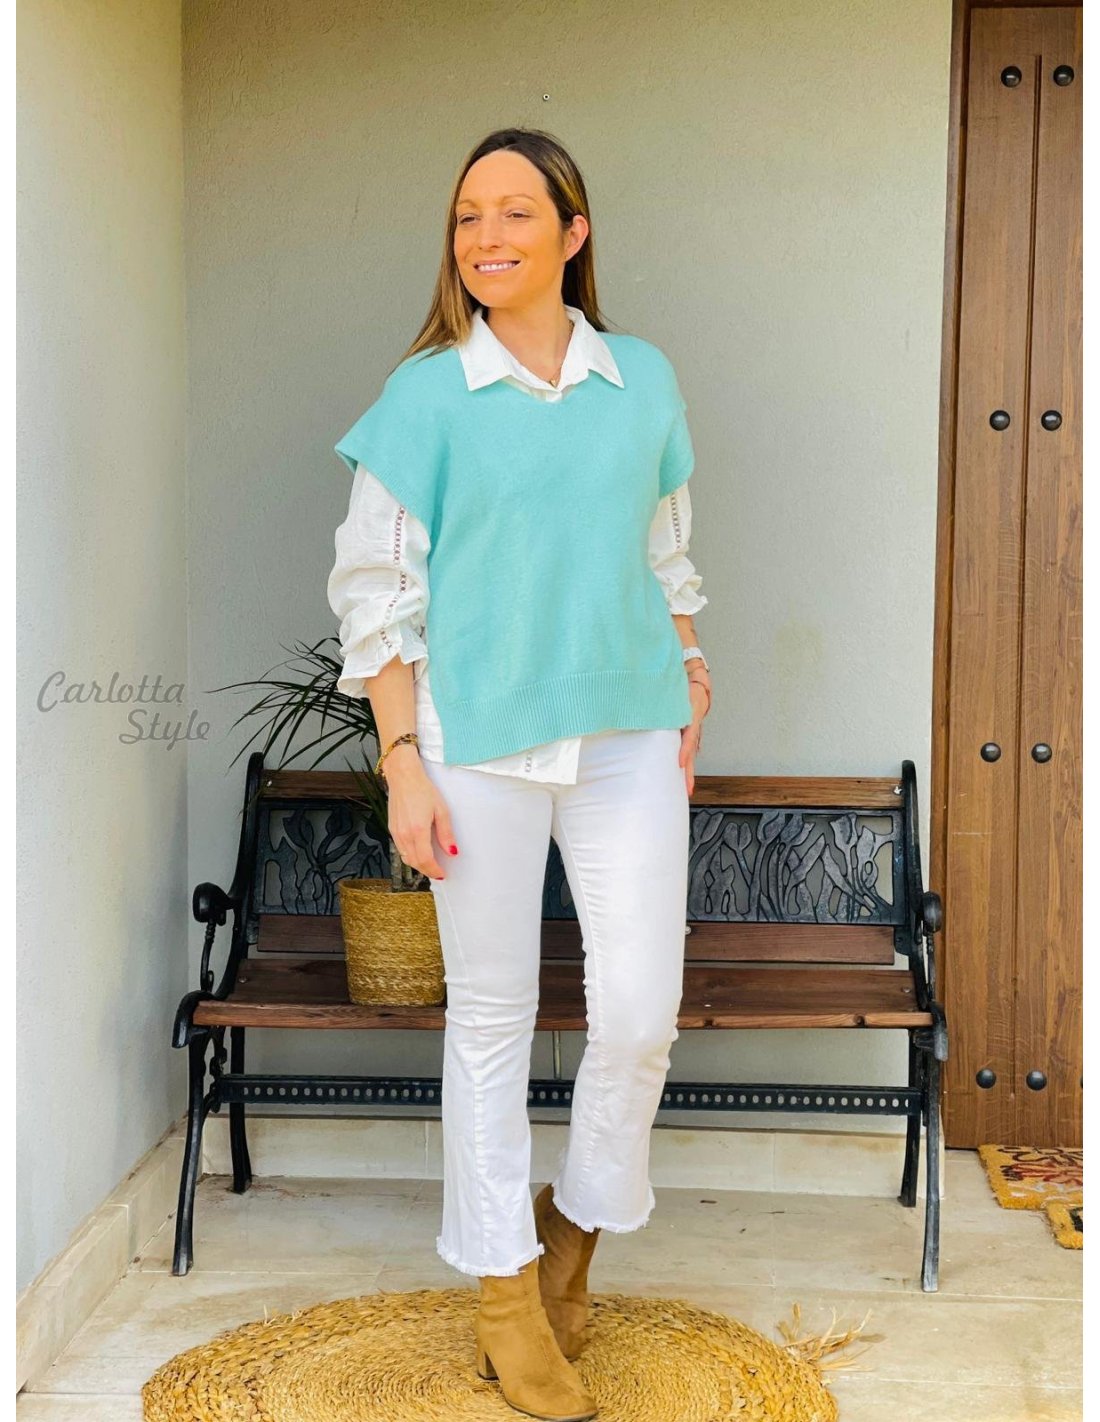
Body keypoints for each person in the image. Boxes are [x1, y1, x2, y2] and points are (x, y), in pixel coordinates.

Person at [327, 127, 711, 1422]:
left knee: (639, 1013)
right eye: (466, 217)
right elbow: (376, 592)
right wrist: (400, 760)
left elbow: (664, 551)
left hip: (628, 734)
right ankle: (503, 1289)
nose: (486, 237)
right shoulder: (426, 396)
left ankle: (574, 1234)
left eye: (514, 212)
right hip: (472, 741)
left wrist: (691, 662)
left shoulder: (643, 381)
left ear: (573, 232)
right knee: (491, 1018)